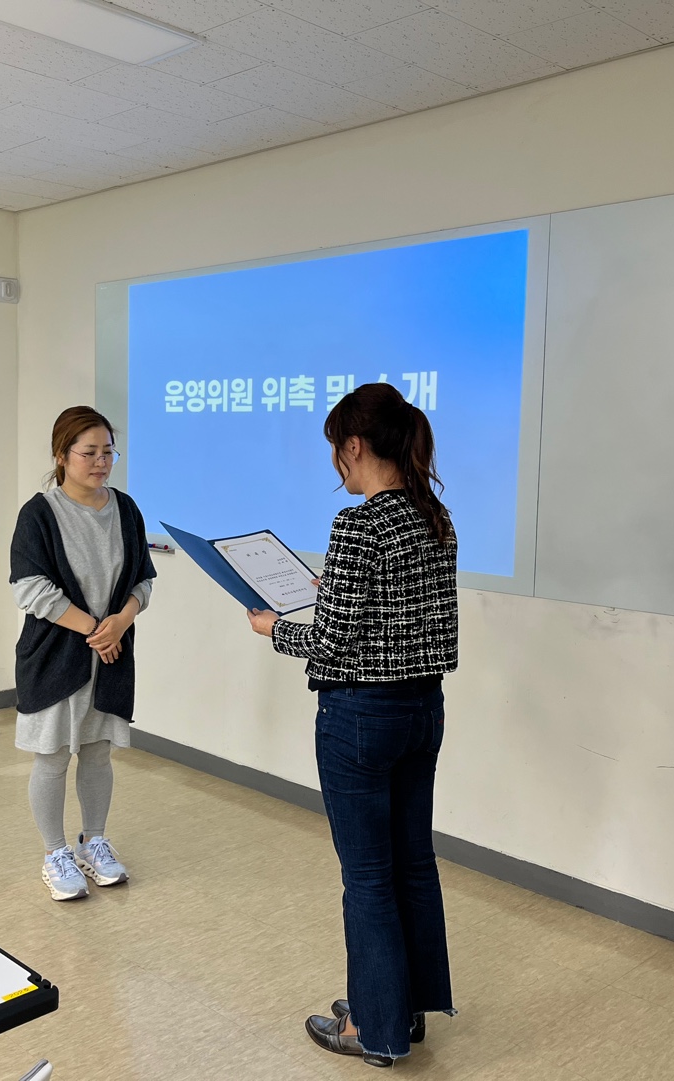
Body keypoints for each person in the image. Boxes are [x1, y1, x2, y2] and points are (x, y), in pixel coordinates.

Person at [247, 383, 459, 1067]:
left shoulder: (358, 524)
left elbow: (333, 643)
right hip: (423, 711)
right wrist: (334, 591)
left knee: (367, 877)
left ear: (356, 445)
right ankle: (405, 1010)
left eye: (337, 448)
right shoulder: (434, 517)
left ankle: (373, 1028)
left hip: (360, 719)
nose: (336, 463)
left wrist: (275, 628)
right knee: (413, 865)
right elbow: (404, 617)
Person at [10, 406, 156, 901]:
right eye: (89, 452)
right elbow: (31, 589)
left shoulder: (126, 509)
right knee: (52, 757)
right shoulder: (39, 514)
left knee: (97, 753)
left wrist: (122, 621)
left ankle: (94, 842)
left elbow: (143, 580)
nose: (100, 462)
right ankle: (55, 853)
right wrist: (96, 629)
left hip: (111, 655)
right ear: (61, 455)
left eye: (108, 452)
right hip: (56, 656)